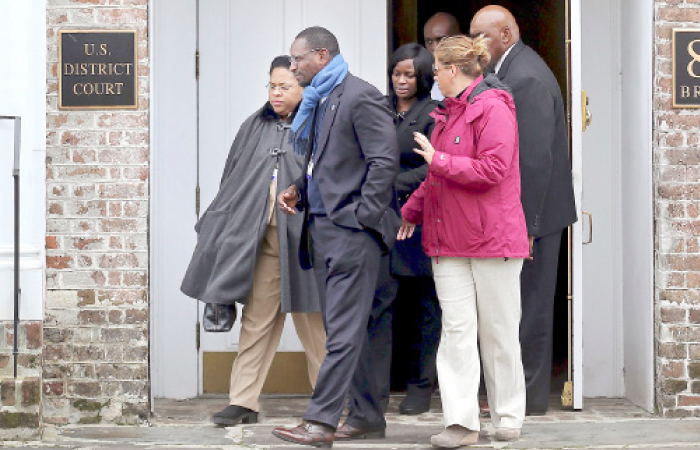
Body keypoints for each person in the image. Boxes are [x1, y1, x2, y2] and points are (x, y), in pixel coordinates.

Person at [180, 56, 326, 427]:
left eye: (285, 87)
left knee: (315, 326)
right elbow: (233, 179)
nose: (276, 93)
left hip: (305, 242)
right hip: (261, 240)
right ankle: (243, 401)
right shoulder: (254, 125)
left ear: (304, 88)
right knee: (257, 321)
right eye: (272, 86)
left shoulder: (321, 122)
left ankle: (329, 403)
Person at [272, 26, 400, 448]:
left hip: (351, 234)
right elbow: (324, 165)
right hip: (322, 231)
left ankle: (321, 422)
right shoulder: (320, 100)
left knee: (342, 332)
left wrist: (361, 217)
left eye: (298, 59)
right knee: (353, 329)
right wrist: (300, 190)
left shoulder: (359, 96)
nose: (292, 67)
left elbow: (384, 162)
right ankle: (365, 418)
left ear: (322, 55)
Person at [399, 34, 528, 446]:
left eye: (436, 70)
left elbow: (491, 169)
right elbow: (439, 175)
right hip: (449, 242)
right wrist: (411, 211)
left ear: (453, 71)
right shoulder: (448, 113)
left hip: (492, 241)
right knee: (456, 333)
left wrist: (439, 160)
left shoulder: (494, 107)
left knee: (498, 332)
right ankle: (462, 422)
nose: (432, 77)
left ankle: (507, 416)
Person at [470, 5, 577, 415]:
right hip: (528, 217)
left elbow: (533, 160)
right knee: (518, 305)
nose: (477, 45)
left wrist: (526, 225)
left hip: (536, 218)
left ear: (506, 35)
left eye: (483, 36)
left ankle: (529, 400)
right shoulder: (510, 71)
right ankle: (516, 394)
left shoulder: (526, 77)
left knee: (530, 307)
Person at [386, 43, 441, 416]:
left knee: (424, 304)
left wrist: (392, 181)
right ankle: (389, 379)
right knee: (388, 303)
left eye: (409, 74)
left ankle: (421, 386)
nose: (401, 81)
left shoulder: (433, 114)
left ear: (422, 77)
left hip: (417, 217)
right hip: (382, 219)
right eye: (396, 73)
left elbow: (435, 167)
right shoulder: (380, 110)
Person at [423, 12, 460, 100]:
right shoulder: (425, 78)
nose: (435, 47)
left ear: (459, 38)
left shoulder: (473, 76)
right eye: (429, 42)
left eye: (441, 39)